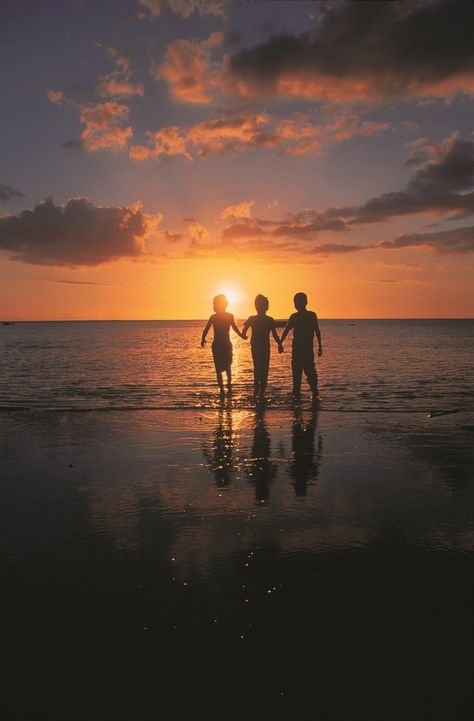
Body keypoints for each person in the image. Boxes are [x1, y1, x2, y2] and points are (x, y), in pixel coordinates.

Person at [280, 292, 323, 402]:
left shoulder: (308, 316)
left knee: (307, 371)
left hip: (304, 350)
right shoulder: (297, 317)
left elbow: (317, 330)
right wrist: (280, 342)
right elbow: (287, 330)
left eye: (296, 302)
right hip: (301, 350)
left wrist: (320, 346)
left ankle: (312, 392)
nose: (295, 304)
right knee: (300, 372)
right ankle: (301, 392)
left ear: (303, 303)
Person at [242, 294, 283, 401]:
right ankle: (261, 392)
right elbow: (275, 335)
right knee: (264, 369)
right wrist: (279, 344)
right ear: (267, 307)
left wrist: (244, 335)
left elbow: (244, 331)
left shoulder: (252, 319)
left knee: (257, 368)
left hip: (256, 347)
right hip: (264, 348)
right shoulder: (269, 320)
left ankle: (256, 391)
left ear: (256, 306)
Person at [201, 294, 244, 394]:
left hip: (219, 345)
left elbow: (234, 328)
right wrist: (241, 335)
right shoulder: (225, 316)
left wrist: (203, 338)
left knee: (220, 369)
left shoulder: (217, 317)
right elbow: (235, 329)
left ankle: (223, 389)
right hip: (223, 344)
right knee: (226, 367)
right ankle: (226, 387)